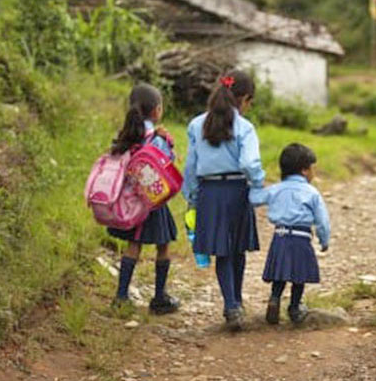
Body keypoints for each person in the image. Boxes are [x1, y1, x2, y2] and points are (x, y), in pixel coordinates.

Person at [182, 71, 265, 330]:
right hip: (237, 190)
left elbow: (190, 166)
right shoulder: (245, 127)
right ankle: (236, 303)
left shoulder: (197, 125)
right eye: (249, 102)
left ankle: (231, 305)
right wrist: (258, 184)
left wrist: (192, 198)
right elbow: (249, 162)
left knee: (222, 251)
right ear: (244, 99)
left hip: (210, 193)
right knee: (238, 248)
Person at [109, 83, 181, 315]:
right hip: (153, 201)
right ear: (157, 110)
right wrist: (170, 145)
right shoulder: (156, 137)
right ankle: (159, 297)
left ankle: (121, 296)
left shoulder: (127, 133)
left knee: (134, 245)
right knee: (163, 246)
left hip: (131, 200)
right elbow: (167, 160)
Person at [251, 143, 330, 325]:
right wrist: (324, 240)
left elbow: (254, 199)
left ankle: (274, 298)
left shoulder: (275, 189)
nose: (313, 173)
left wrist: (254, 183)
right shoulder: (312, 193)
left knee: (280, 273)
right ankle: (294, 307)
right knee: (298, 276)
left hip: (280, 236)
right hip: (301, 238)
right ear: (304, 170)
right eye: (312, 169)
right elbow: (322, 221)